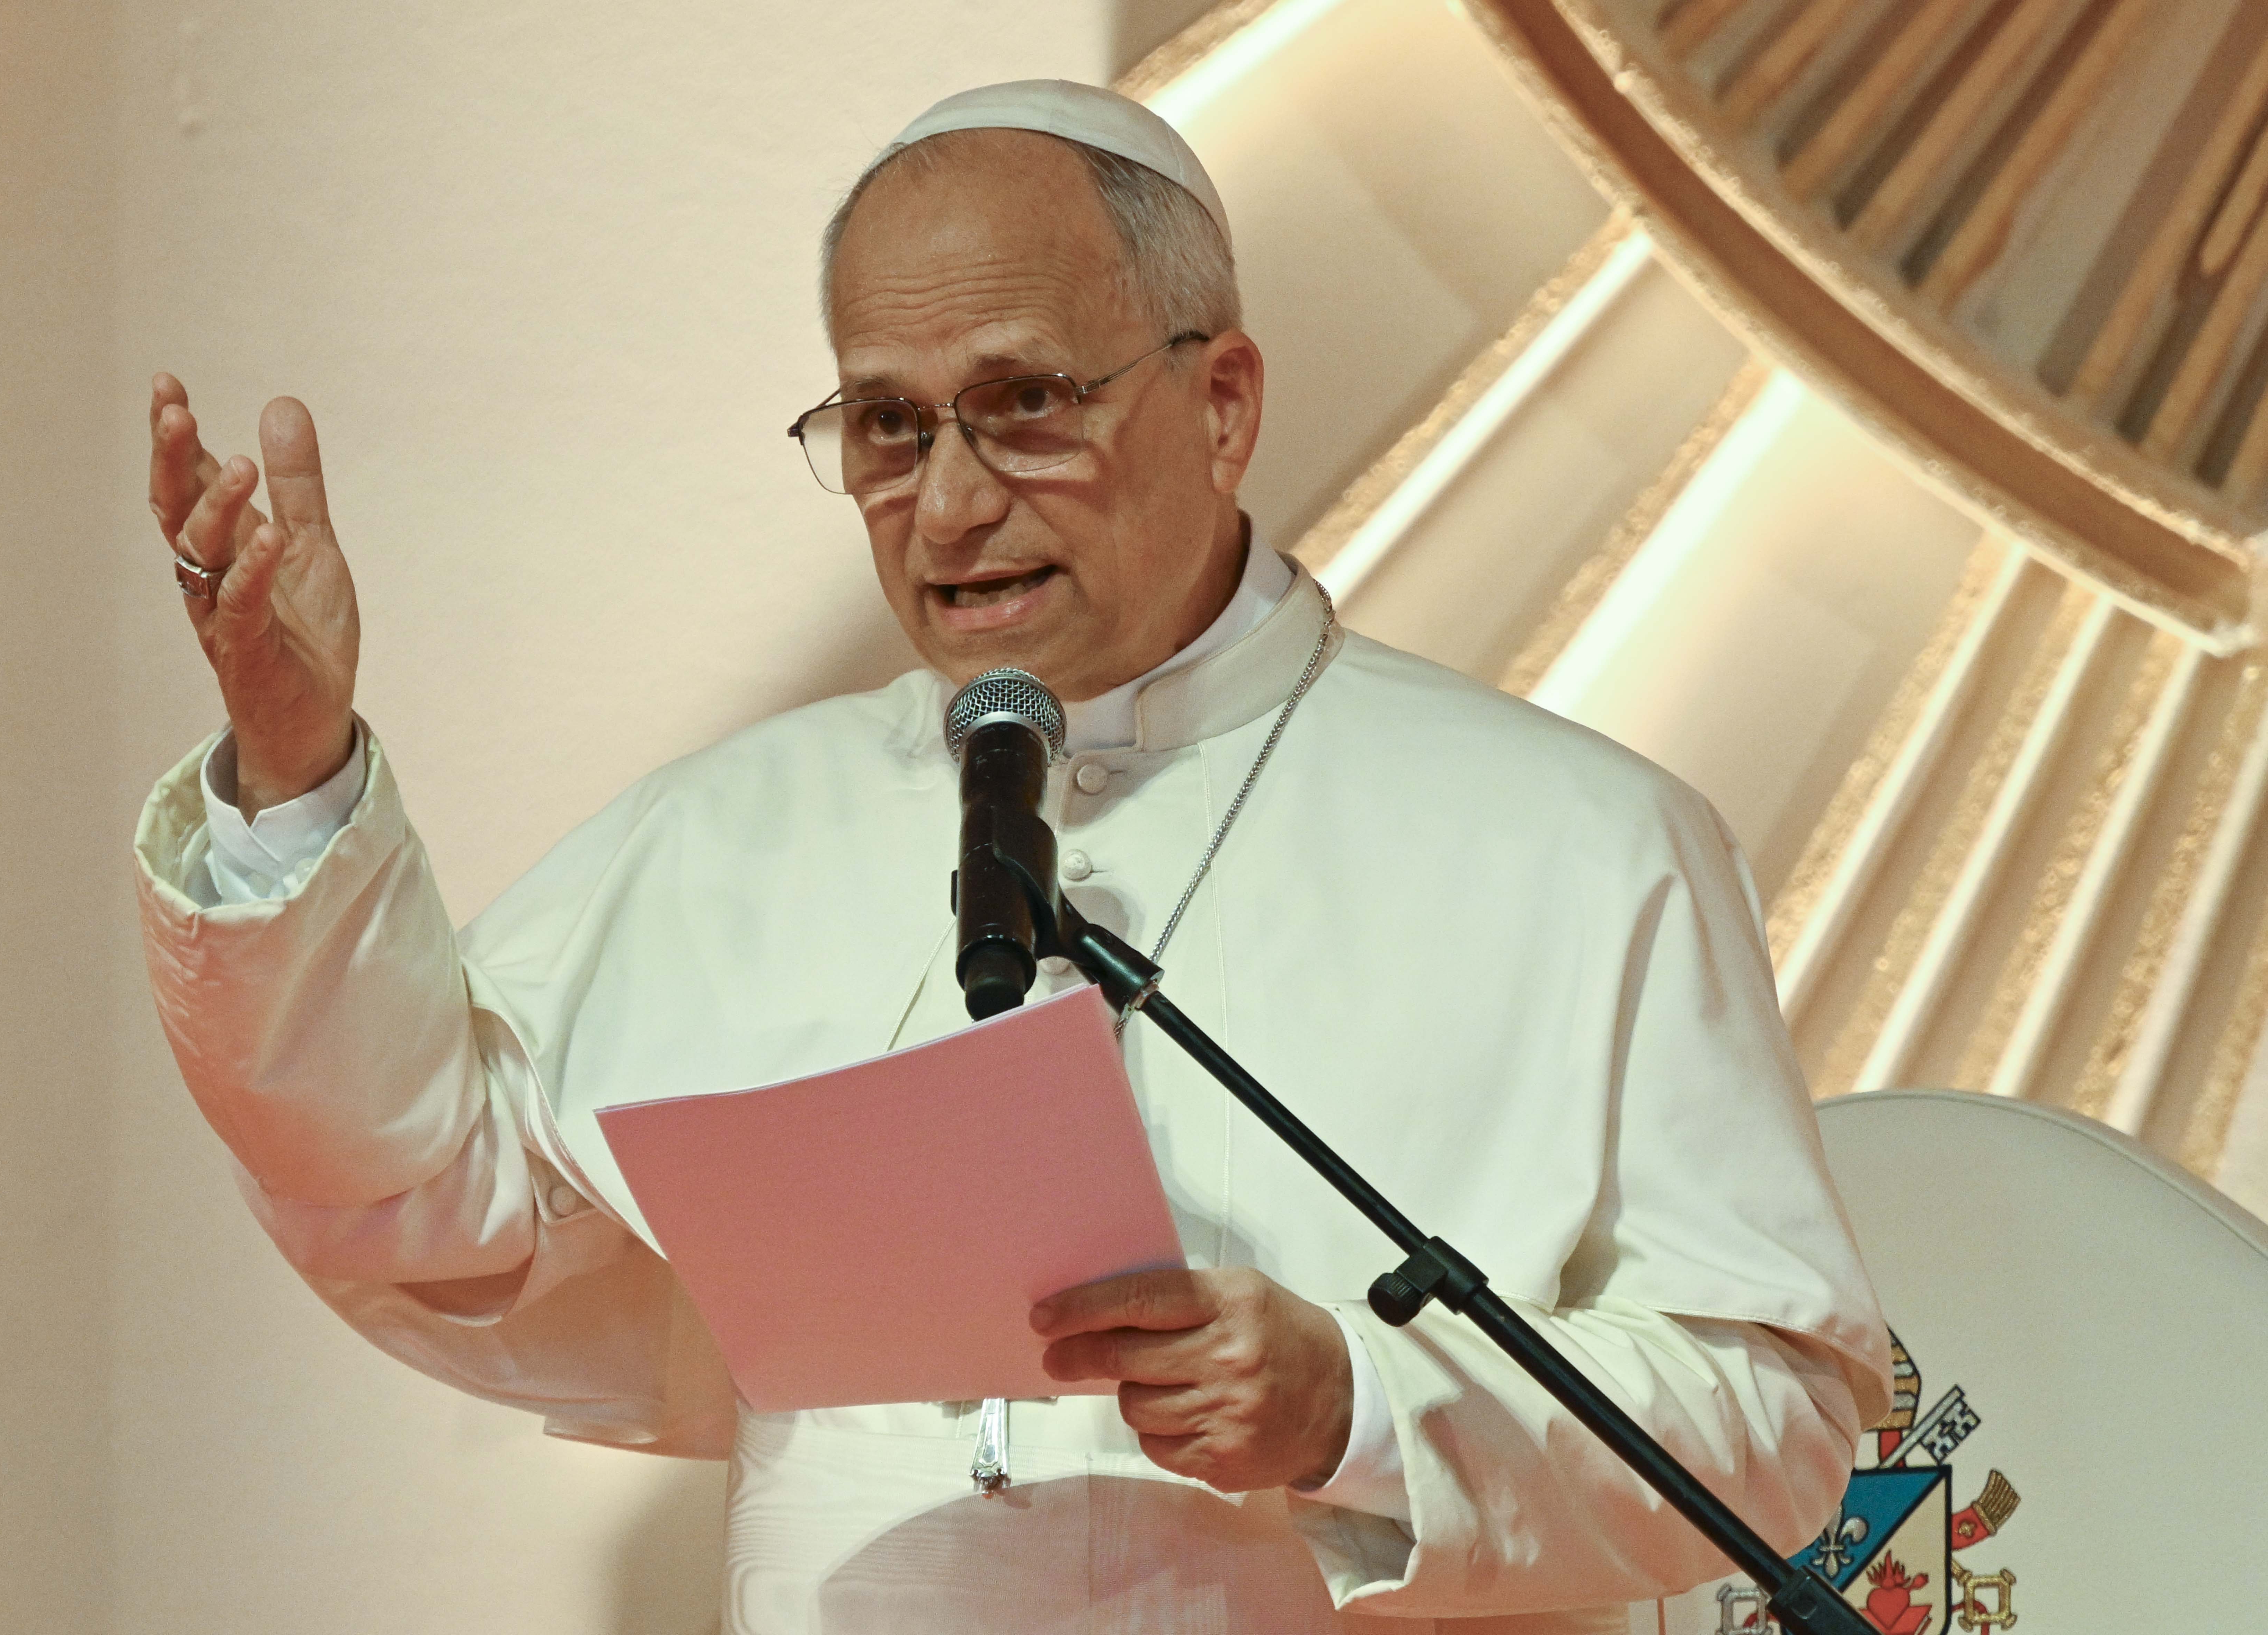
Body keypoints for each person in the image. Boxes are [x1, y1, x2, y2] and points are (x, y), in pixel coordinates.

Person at [136, 80, 1890, 1635]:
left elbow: (1792, 1416)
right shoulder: (739, 827)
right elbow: (413, 1190)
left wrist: (1356, 1401)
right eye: (886, 426)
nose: (951, 500)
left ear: (1220, 403)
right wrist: (294, 769)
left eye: (1023, 402)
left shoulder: (1582, 844)